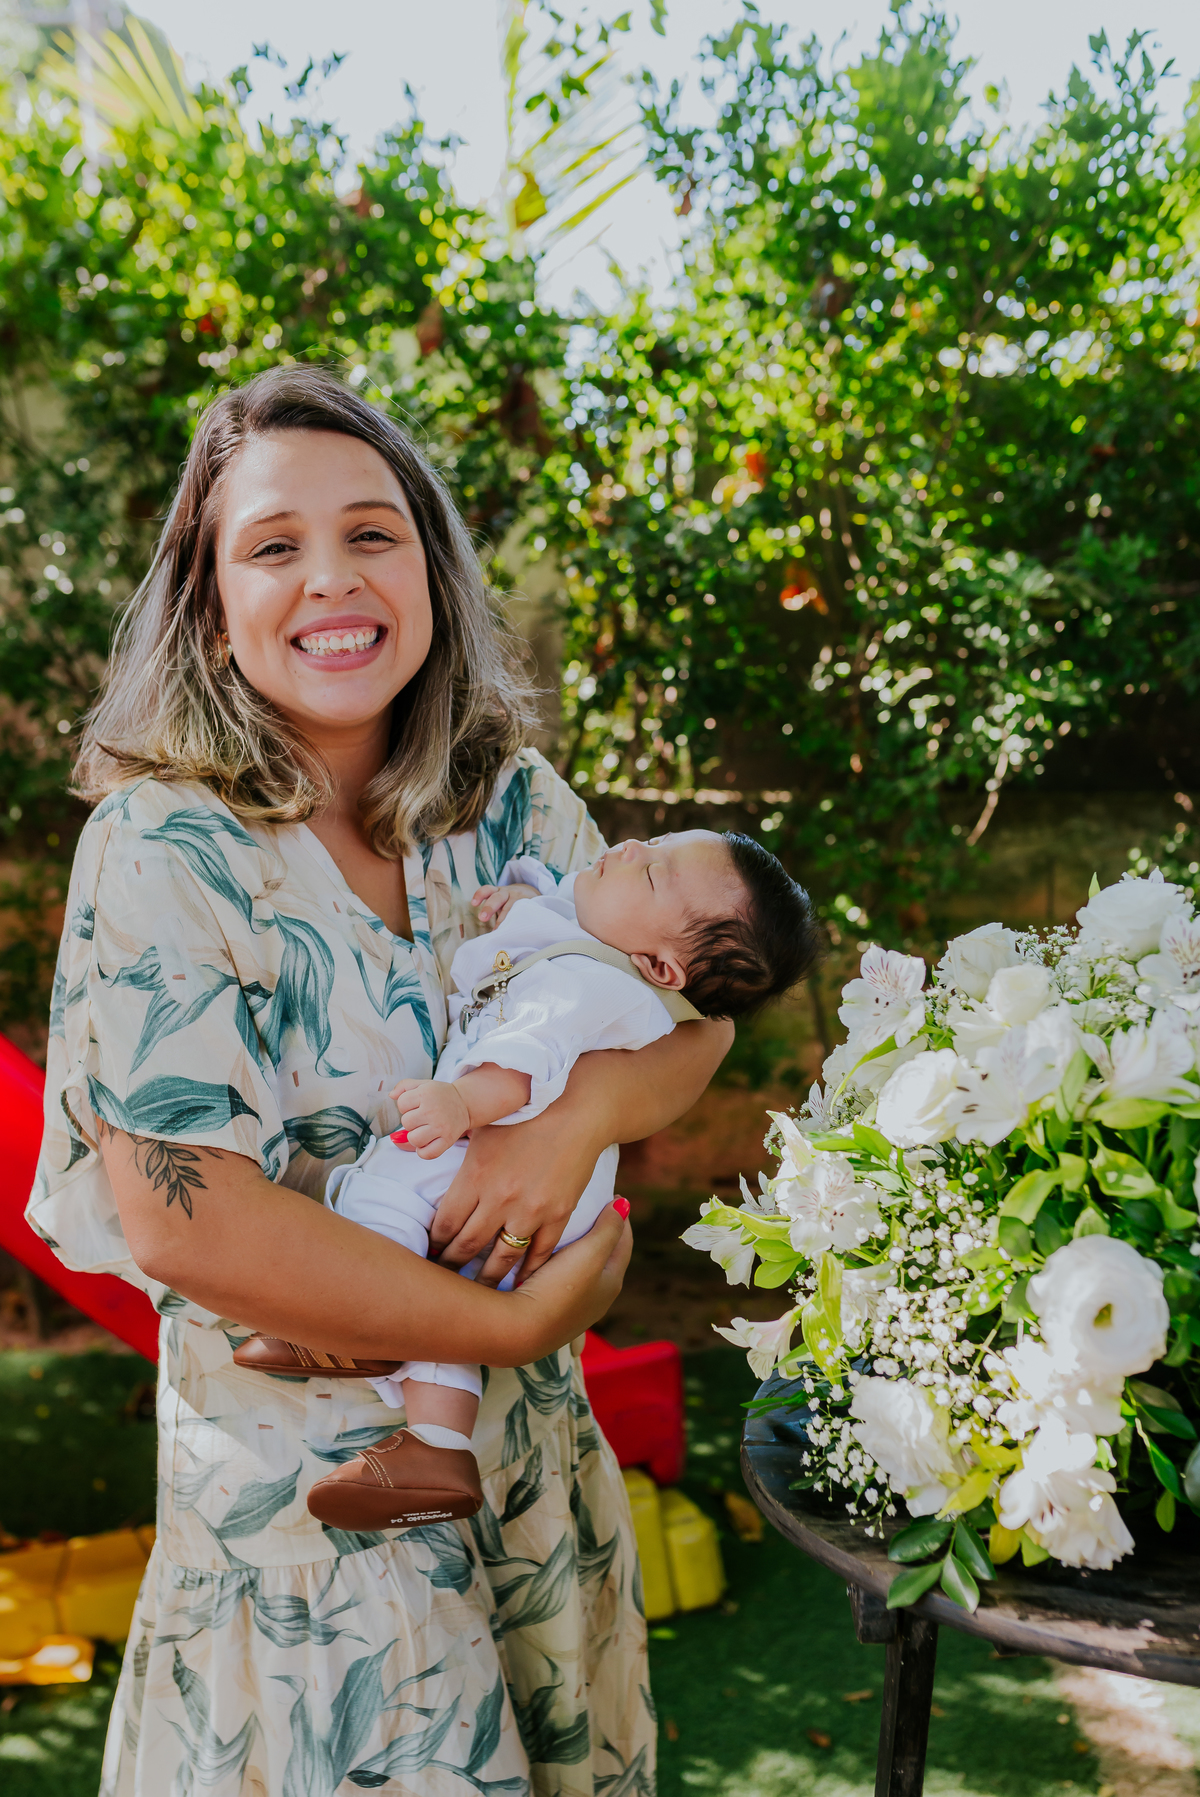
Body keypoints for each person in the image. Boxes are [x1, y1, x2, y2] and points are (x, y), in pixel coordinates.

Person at [26, 365, 734, 1797]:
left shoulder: (514, 801)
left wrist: (582, 1121)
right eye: (274, 546)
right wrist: (524, 1308)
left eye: (373, 533)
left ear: (430, 563)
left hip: (533, 1477)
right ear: (209, 597)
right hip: (311, 1515)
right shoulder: (165, 843)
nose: (333, 579)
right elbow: (184, 1217)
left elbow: (693, 1025)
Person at [233, 831, 818, 1530]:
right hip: (545, 1193)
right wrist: (522, 902)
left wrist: (461, 1103)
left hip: (496, 1150)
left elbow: (526, 1054)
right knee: (442, 1301)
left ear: (659, 965)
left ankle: (345, 1320)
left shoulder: (587, 983)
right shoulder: (600, 943)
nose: (631, 845)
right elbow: (561, 915)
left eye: (654, 872)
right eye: (654, 842)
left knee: (380, 1194)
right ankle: (440, 1447)